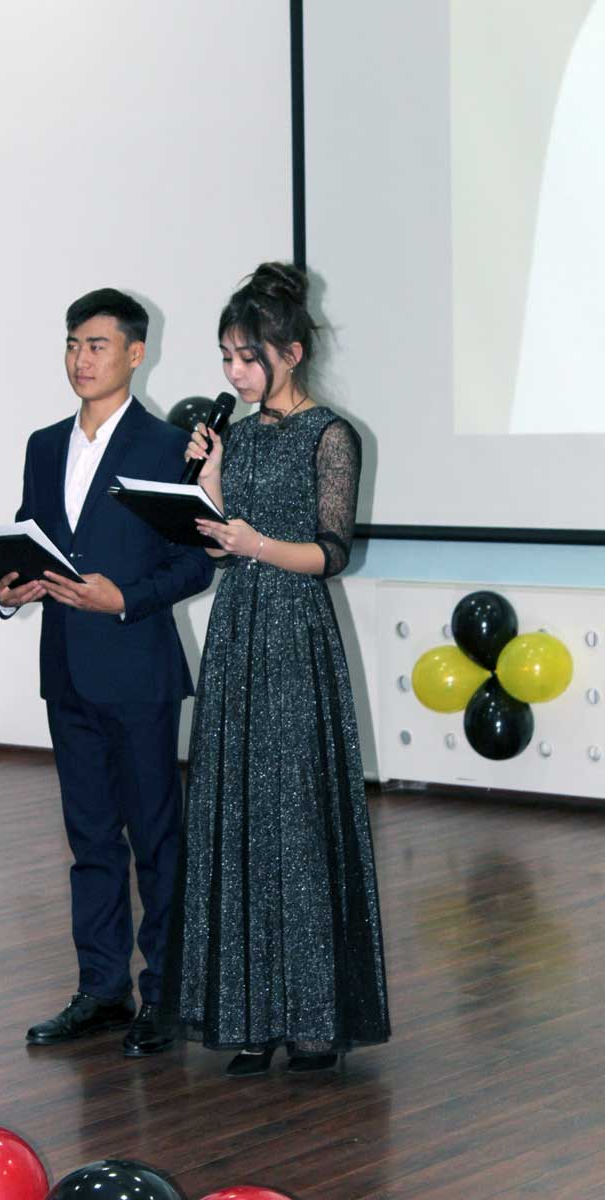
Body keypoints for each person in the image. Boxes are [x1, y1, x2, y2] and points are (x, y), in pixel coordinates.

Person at [162, 263, 390, 1075]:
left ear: (290, 353)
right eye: (226, 357)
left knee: (296, 817)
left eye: (248, 357)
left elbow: (331, 553)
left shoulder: (332, 435)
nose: (234, 373)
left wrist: (254, 542)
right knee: (238, 812)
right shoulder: (241, 434)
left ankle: (315, 1020)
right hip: (238, 629)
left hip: (295, 632)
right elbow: (221, 548)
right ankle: (250, 1016)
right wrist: (209, 484)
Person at [0, 288, 214, 1057]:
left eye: (96, 345)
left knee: (156, 837)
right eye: (72, 344)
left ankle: (168, 996)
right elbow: (29, 541)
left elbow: (194, 564)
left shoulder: (167, 446)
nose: (80, 359)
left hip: (139, 668)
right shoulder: (43, 444)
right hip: (66, 670)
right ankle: (102, 990)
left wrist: (126, 599)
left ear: (135, 353)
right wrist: (7, 589)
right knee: (88, 838)